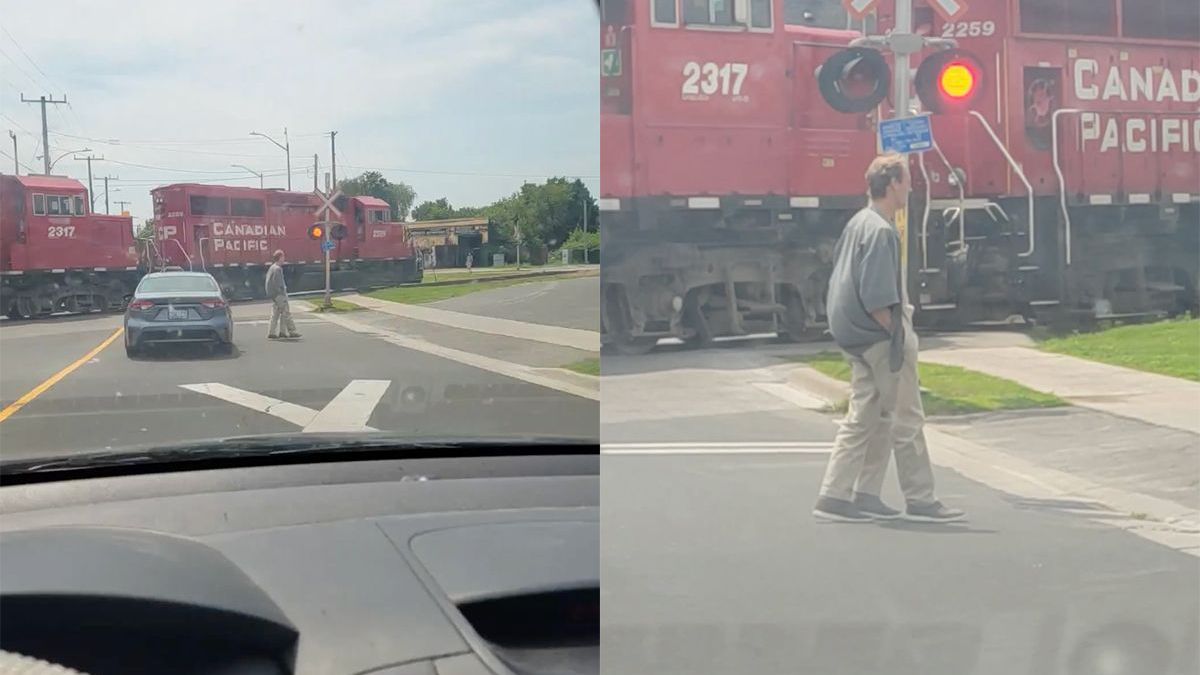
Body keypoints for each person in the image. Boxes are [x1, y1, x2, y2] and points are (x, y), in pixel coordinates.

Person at [812, 153, 965, 524]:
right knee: (907, 417)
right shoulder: (882, 231)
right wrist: (899, 335)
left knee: (868, 415)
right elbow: (879, 297)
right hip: (880, 338)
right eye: (907, 180)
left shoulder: (858, 223)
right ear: (893, 183)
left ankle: (843, 494)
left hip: (853, 337)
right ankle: (921, 498)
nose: (911, 186)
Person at [265, 249, 300, 340]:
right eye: (283, 256)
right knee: (286, 313)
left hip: (274, 295)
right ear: (280, 258)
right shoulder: (277, 269)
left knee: (276, 314)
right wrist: (282, 292)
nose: (284, 258)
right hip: (279, 295)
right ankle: (292, 331)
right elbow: (279, 283)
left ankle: (273, 332)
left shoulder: (272, 267)